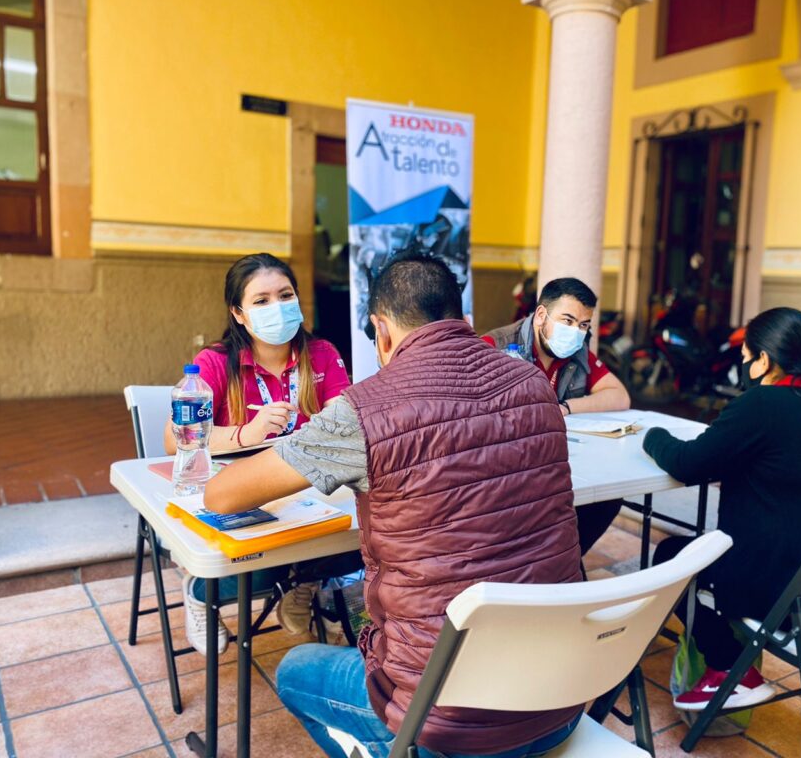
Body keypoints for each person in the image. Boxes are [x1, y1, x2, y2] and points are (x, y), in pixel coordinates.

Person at [203, 256, 584, 758]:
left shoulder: (365, 409)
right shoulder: (535, 384)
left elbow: (221, 495)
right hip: (559, 696)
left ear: (380, 331)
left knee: (295, 671)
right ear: (464, 320)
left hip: (445, 719)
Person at [642, 307, 801, 711]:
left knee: (672, 556)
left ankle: (729, 670)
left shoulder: (762, 404)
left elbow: (687, 464)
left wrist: (652, 435)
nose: (743, 366)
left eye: (745, 357)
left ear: (764, 360)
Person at [164, 253, 354, 656]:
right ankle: (201, 593)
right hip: (241, 487)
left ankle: (304, 585)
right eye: (262, 300)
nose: (277, 307)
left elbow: (344, 420)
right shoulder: (216, 362)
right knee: (260, 553)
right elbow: (173, 438)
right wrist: (244, 434)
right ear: (239, 313)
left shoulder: (321, 352)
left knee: (359, 532)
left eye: (285, 295)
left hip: (303, 484)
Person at [482, 277, 631, 554]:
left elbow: (619, 395)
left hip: (563, 462)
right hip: (512, 469)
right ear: (541, 315)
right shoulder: (495, 345)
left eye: (583, 325)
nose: (575, 332)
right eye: (567, 320)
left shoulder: (577, 353)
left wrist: (565, 407)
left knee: (607, 500)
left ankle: (565, 557)